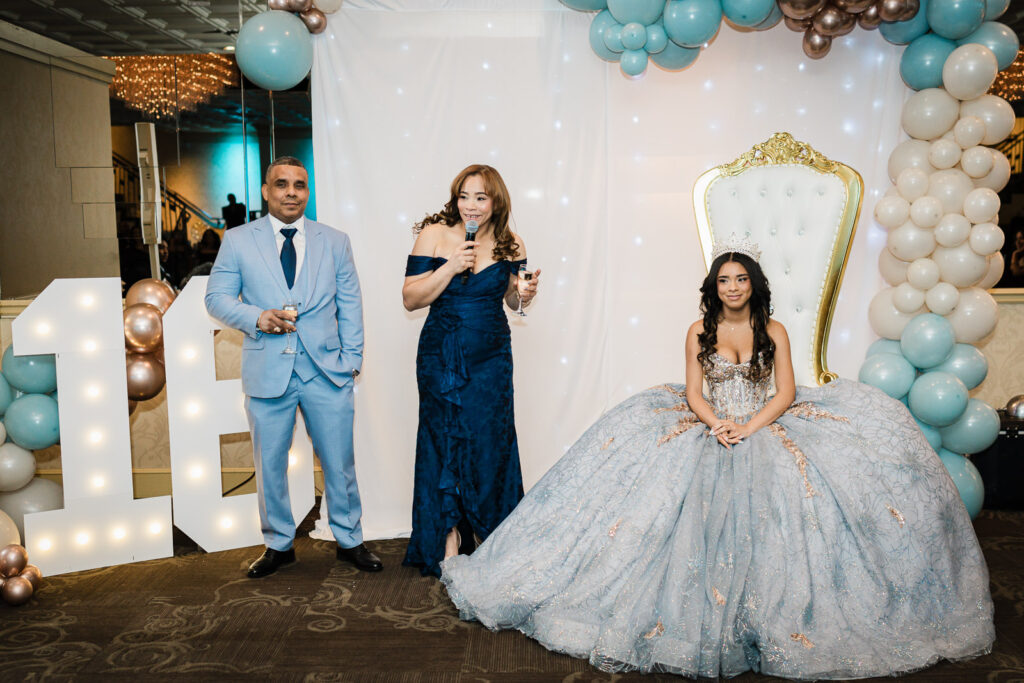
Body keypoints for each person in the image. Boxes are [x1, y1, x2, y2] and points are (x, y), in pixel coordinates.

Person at [440, 234, 994, 679]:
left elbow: (786, 393)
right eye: (723, 280)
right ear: (714, 287)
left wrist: (750, 426)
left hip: (766, 421)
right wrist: (716, 426)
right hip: (711, 423)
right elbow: (693, 393)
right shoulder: (698, 331)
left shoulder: (772, 329)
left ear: (754, 285)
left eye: (741, 279)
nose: (732, 287)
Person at [205, 156, 381, 578]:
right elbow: (216, 297)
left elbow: (350, 302)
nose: (291, 192)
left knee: (339, 461)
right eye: (281, 184)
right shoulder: (238, 240)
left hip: (327, 371)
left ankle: (350, 539)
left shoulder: (334, 240)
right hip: (268, 371)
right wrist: (255, 317)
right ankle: (278, 544)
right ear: (266, 191)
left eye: (299, 185)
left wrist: (352, 360)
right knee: (270, 463)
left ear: (307, 191)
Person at [402, 164, 541, 577]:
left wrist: (525, 295)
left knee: (489, 443)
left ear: (496, 201)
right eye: (464, 196)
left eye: (480, 197)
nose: (471, 206)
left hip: (492, 358)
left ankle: (492, 536)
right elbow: (410, 299)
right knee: (442, 440)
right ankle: (448, 538)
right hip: (441, 355)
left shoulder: (511, 242)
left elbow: (514, 302)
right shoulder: (434, 234)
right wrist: (448, 267)